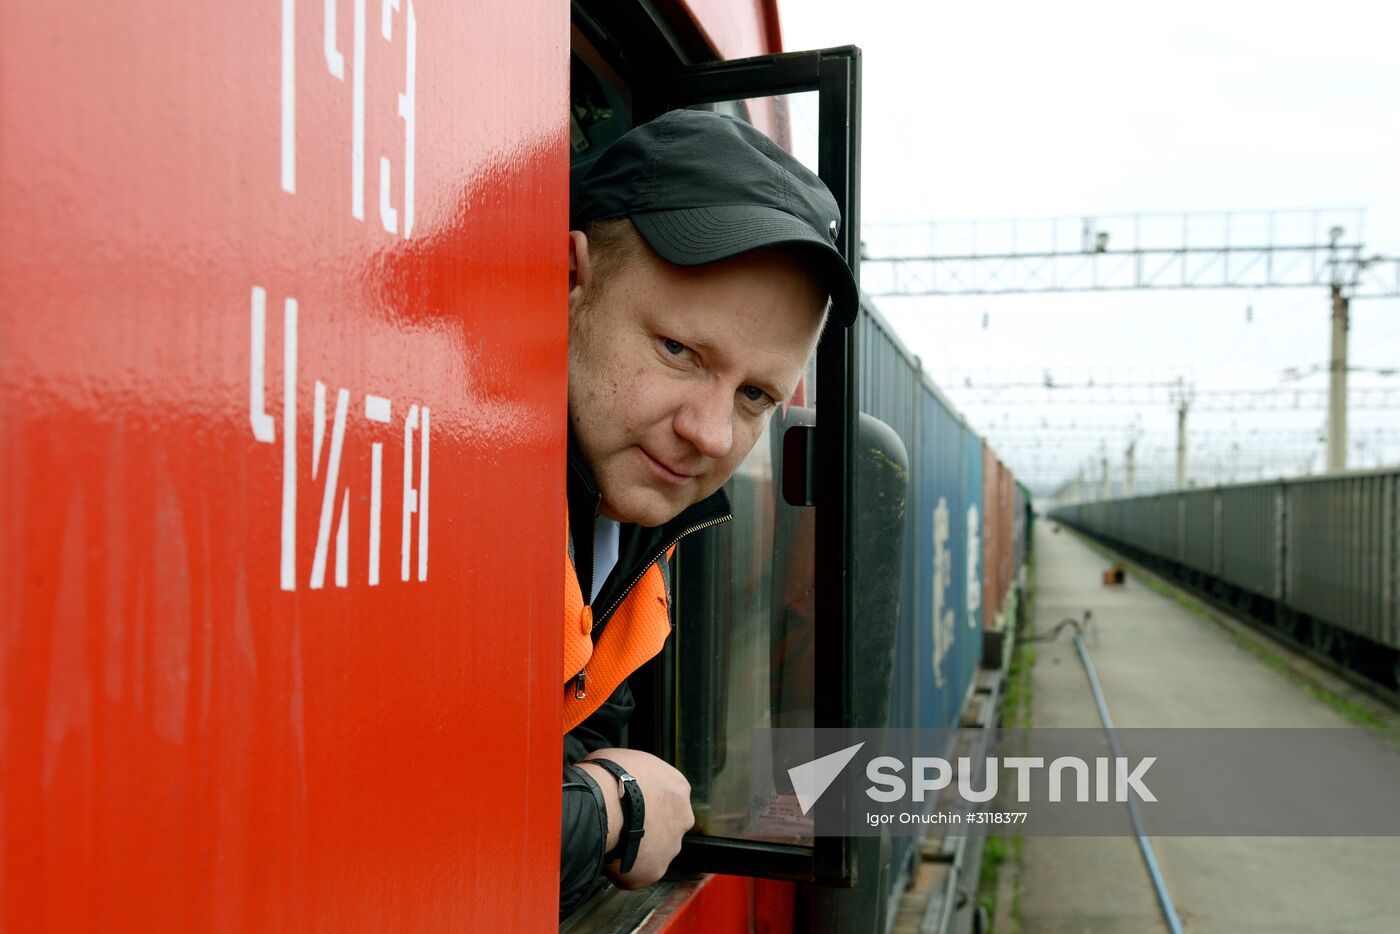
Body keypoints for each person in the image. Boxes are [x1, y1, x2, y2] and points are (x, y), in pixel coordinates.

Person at [559, 108, 858, 916]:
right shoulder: (442, 497)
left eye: (755, 395)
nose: (711, 434)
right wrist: (610, 808)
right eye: (680, 352)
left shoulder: (624, 534)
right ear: (569, 281)